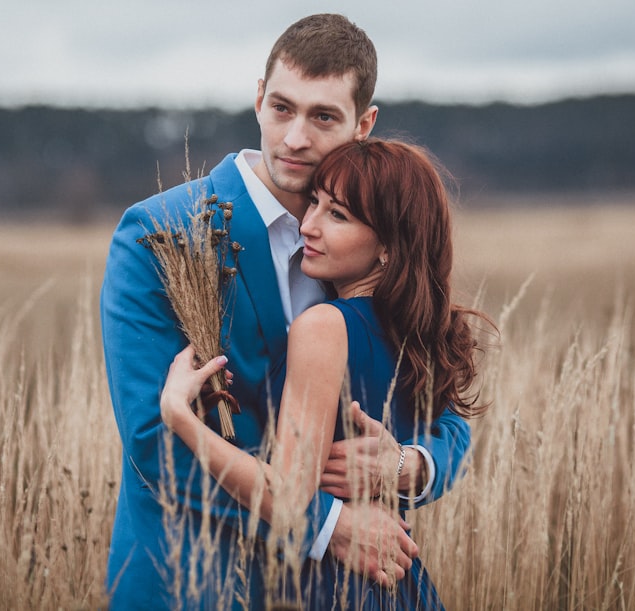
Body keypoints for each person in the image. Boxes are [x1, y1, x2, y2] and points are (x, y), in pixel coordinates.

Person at [100, 14, 474, 608]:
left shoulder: (371, 243)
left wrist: (410, 466)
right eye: (281, 108)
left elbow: (447, 415)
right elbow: (151, 437)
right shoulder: (161, 233)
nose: (296, 138)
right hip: (195, 581)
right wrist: (326, 527)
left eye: (323, 116)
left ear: (364, 123)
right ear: (257, 99)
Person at [160, 138, 495, 609]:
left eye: (337, 215)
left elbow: (290, 501)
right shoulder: (420, 332)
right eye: (313, 203)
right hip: (396, 582)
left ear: (388, 246)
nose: (307, 226)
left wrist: (180, 417)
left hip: (334, 584)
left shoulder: (325, 325)